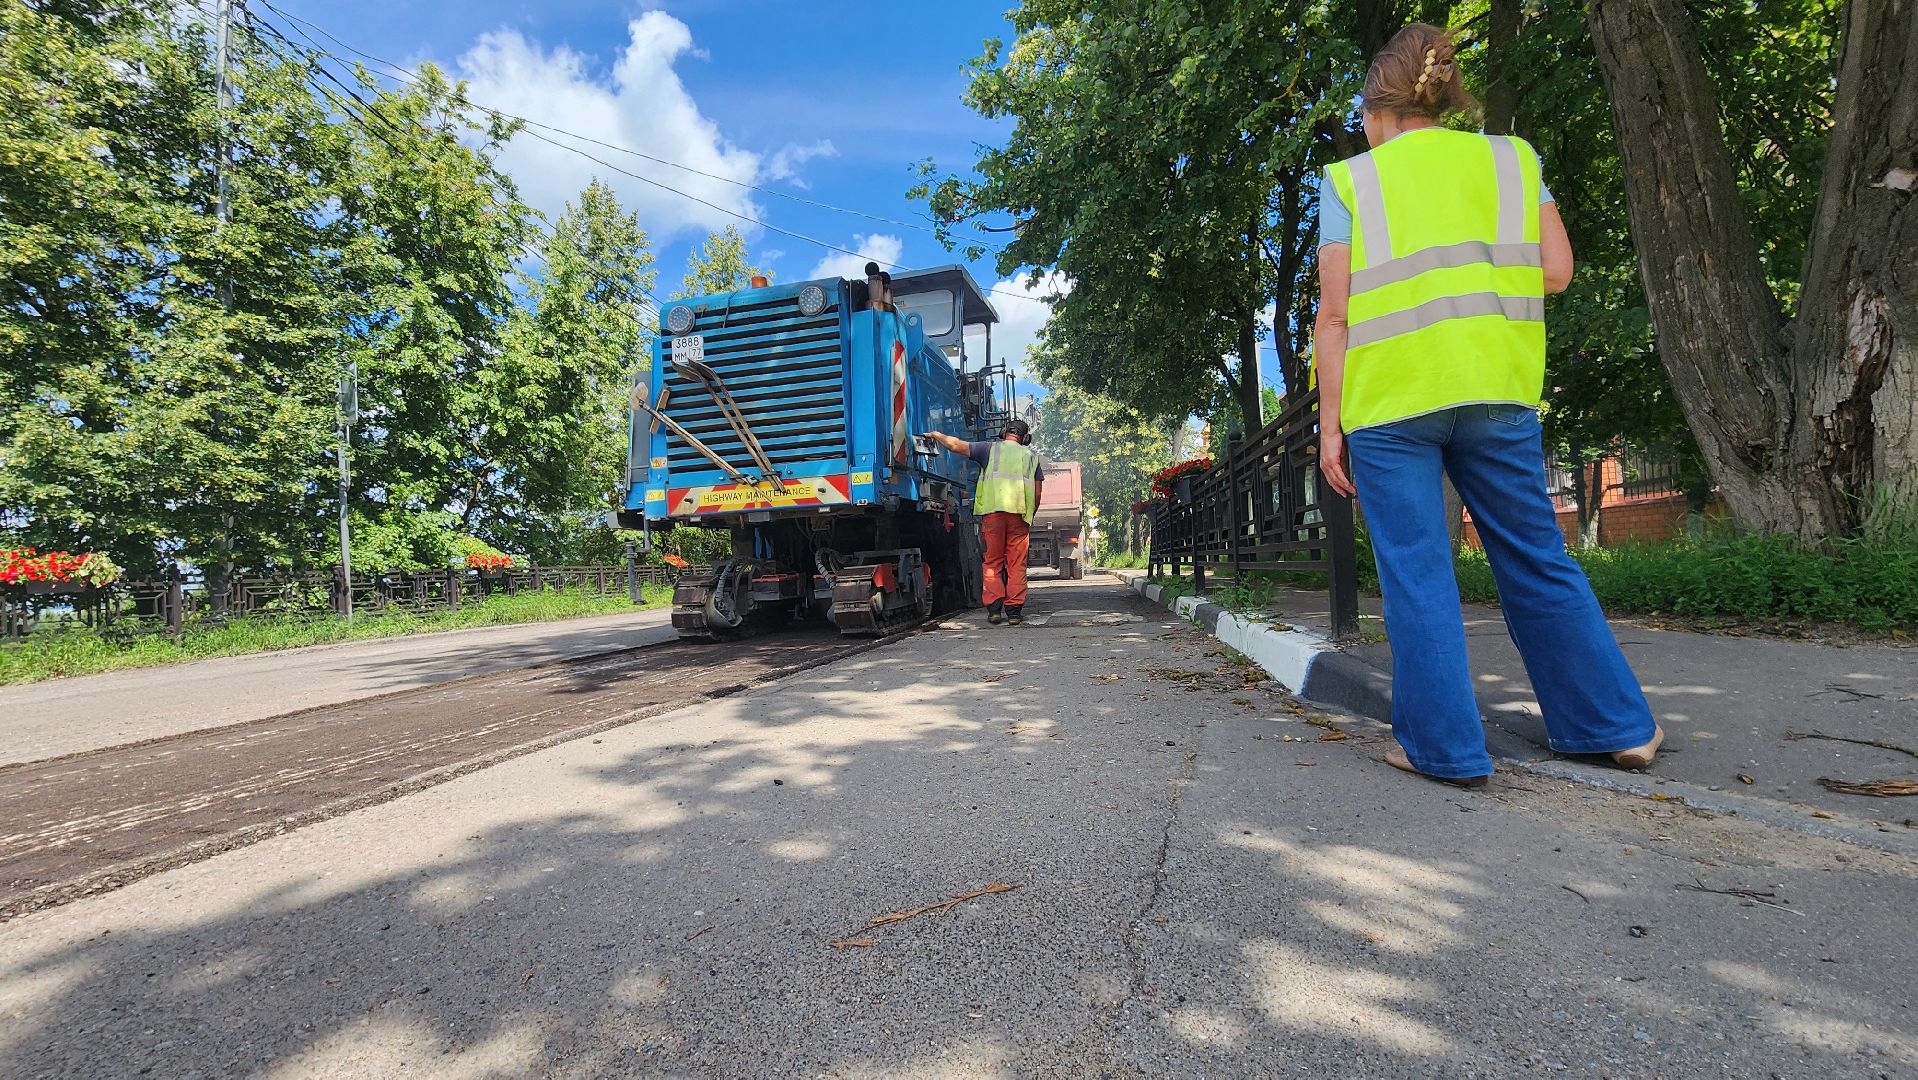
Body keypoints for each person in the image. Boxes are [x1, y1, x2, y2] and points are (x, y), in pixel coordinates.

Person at [1313, 23, 1661, 788]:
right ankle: (1615, 726)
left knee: (1418, 574)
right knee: (1537, 558)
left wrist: (1328, 426)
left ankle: (1445, 750)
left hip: (1392, 401)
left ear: (1378, 110)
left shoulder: (1349, 182)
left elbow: (1334, 316)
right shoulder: (1512, 160)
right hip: (1496, 387)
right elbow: (1559, 269)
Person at [922, 420, 1044, 625]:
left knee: (992, 562)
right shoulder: (1031, 457)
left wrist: (937, 435)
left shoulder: (989, 450)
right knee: (1016, 564)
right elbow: (1038, 491)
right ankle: (1014, 612)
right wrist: (1030, 514)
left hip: (993, 514)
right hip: (1020, 516)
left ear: (1003, 432)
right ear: (1025, 438)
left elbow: (955, 445)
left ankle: (994, 610)